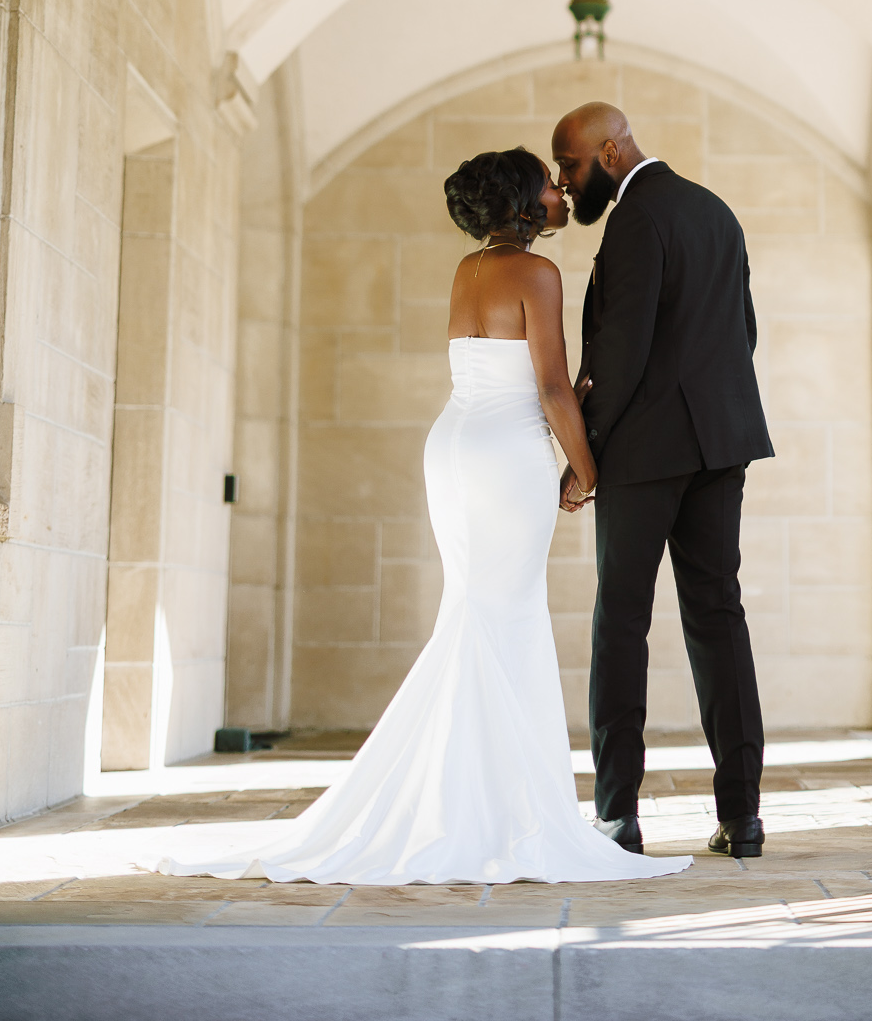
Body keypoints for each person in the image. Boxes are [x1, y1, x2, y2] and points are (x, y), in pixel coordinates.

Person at [156, 147, 690, 886]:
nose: (560, 193)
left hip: (454, 446)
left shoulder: (467, 270)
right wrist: (587, 472)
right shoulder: (536, 272)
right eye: (547, 184)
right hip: (508, 455)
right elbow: (552, 391)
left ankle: (470, 805)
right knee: (504, 618)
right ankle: (504, 815)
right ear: (522, 202)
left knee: (476, 616)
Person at [551, 103, 774, 861]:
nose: (563, 181)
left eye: (571, 165)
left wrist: (584, 459)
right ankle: (741, 818)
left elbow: (620, 352)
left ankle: (617, 815)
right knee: (718, 617)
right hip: (722, 446)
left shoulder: (635, 220)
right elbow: (742, 331)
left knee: (620, 622)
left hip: (646, 455)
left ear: (610, 152)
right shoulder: (715, 212)